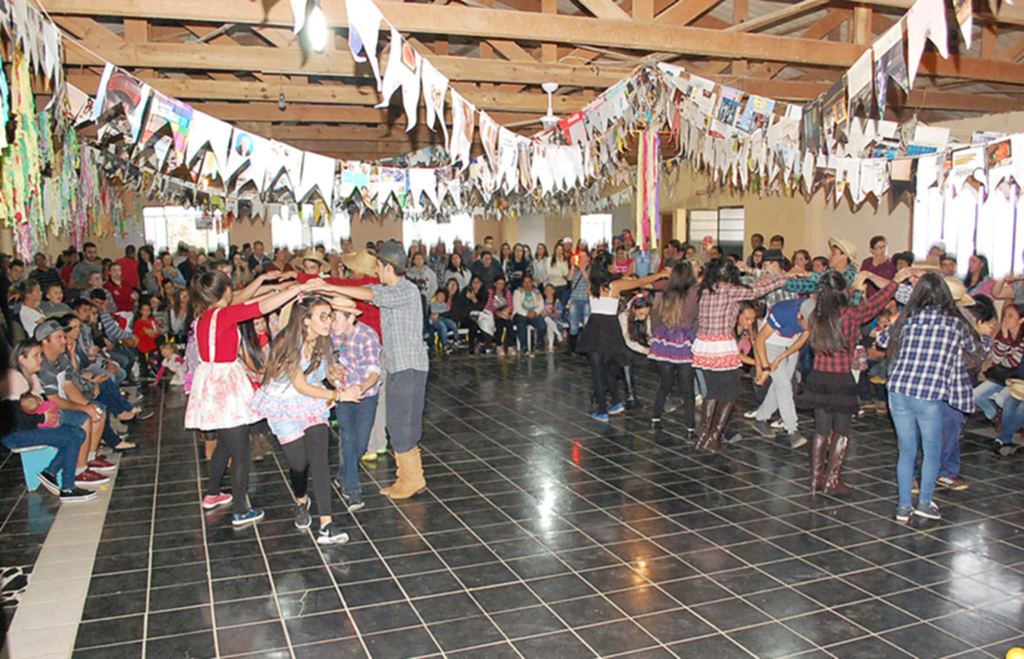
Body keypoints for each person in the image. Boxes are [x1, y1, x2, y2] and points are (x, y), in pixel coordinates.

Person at [186, 268, 316, 526]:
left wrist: (264, 281)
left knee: (225, 443)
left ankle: (213, 494)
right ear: (226, 292)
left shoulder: (205, 315)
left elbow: (244, 298)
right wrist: (297, 289)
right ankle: (240, 510)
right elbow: (261, 306)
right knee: (241, 451)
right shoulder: (226, 314)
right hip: (226, 385)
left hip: (211, 383)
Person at [318, 240, 430, 500]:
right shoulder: (385, 287)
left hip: (409, 368)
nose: (376, 271)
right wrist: (324, 288)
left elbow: (370, 295)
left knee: (404, 424)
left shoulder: (407, 290)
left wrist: (326, 285)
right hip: (395, 367)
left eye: (378, 266)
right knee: (396, 423)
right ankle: (408, 477)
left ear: (388, 267)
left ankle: (412, 479)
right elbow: (361, 289)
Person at [250, 296, 357, 544]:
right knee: (299, 464)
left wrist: (334, 372)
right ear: (305, 321)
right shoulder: (290, 344)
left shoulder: (323, 341)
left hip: (311, 404)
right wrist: (340, 395)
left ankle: (326, 525)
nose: (329, 321)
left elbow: (321, 373)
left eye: (330, 315)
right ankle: (301, 500)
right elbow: (299, 385)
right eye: (323, 316)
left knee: (319, 459)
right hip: (285, 404)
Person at [887, 272, 988, 522]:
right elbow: (978, 351)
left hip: (898, 390)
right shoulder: (955, 323)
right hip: (928, 394)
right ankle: (924, 503)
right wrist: (983, 334)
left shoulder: (909, 318)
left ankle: (903, 507)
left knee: (907, 450)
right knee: (931, 451)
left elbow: (882, 339)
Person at [801, 268, 909, 493]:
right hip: (841, 378)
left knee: (820, 430)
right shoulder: (849, 314)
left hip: (819, 376)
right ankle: (832, 481)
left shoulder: (816, 315)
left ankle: (814, 480)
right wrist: (894, 282)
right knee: (842, 429)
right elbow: (875, 304)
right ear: (842, 291)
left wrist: (857, 292)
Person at [691, 259, 796, 452]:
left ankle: (704, 436)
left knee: (712, 392)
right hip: (721, 345)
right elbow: (754, 292)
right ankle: (714, 438)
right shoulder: (730, 291)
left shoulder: (706, 290)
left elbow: (748, 288)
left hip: (704, 345)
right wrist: (783, 278)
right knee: (730, 392)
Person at [577, 252, 668, 422]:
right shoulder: (615, 285)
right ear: (610, 267)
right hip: (610, 327)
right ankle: (616, 402)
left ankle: (603, 410)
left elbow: (588, 275)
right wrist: (661, 274)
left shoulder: (593, 284)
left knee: (598, 369)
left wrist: (582, 267)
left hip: (596, 326)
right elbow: (639, 282)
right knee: (608, 367)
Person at [2, 340, 94, 501]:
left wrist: (51, 417)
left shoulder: (31, 375)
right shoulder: (14, 378)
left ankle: (50, 473)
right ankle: (68, 488)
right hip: (15, 434)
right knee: (73, 436)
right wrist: (45, 417)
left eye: (40, 355)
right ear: (22, 359)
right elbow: (17, 419)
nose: (40, 359)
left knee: (77, 433)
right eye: (36, 355)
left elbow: (43, 403)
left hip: (27, 427)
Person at [330, 297, 382, 512]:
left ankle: (343, 474)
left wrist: (360, 388)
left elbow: (374, 372)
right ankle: (354, 490)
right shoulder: (332, 336)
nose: (332, 323)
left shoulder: (367, 335)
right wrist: (333, 375)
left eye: (336, 318)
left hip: (366, 394)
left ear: (350, 317)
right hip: (343, 395)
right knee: (348, 437)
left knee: (360, 443)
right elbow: (329, 364)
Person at [750, 298, 812, 449]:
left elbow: (804, 337)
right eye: (807, 323)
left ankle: (761, 418)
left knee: (781, 385)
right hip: (770, 343)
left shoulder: (813, 315)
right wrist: (765, 367)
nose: (810, 326)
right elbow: (760, 340)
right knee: (784, 387)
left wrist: (782, 357)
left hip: (790, 344)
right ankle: (793, 431)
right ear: (799, 316)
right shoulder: (782, 312)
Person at [649, 263, 699, 430]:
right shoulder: (694, 293)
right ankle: (690, 426)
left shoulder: (668, 292)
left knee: (665, 383)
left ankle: (655, 417)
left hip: (665, 339)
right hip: (685, 339)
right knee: (687, 388)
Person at [972, 302, 1023, 426]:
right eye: (1005, 315)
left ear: (1021, 320)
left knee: (1001, 400)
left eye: (1010, 316)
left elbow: (1012, 362)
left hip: (1017, 379)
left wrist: (1004, 350)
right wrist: (1005, 338)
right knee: (974, 396)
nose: (1005, 319)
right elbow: (997, 359)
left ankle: (1014, 422)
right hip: (1001, 375)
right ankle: (995, 417)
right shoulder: (1002, 336)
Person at [619, 293, 652, 410]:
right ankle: (630, 397)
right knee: (625, 359)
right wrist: (645, 350)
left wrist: (652, 342)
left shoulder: (646, 318)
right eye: (641, 314)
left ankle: (630, 396)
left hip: (633, 345)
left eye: (646, 314)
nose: (643, 317)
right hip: (619, 345)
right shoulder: (623, 317)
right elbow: (628, 340)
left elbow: (649, 334)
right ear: (633, 309)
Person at [512, 274, 546, 355]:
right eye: (525, 282)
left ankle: (539, 343)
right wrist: (526, 313)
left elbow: (541, 304)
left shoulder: (536, 292)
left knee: (542, 325)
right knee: (521, 324)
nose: (527, 284)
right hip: (521, 314)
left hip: (533, 314)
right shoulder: (518, 292)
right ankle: (524, 347)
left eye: (529, 282)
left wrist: (535, 312)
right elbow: (517, 306)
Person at [487, 276, 516, 357]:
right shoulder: (491, 292)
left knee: (509, 324)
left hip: (505, 312)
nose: (500, 286)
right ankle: (498, 345)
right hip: (494, 313)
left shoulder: (507, 292)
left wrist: (508, 314)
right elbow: (488, 306)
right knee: (499, 325)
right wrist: (497, 312)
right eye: (498, 284)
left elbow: (510, 305)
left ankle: (510, 345)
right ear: (495, 284)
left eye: (502, 284)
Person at [427, 289, 459, 353]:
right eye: (440, 296)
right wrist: (441, 314)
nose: (441, 298)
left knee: (453, 324)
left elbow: (446, 313)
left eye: (443, 297)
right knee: (443, 327)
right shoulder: (434, 304)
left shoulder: (444, 304)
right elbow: (435, 312)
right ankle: (445, 343)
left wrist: (441, 314)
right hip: (436, 320)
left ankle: (457, 339)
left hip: (442, 318)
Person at [542, 283, 567, 351]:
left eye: (549, 290)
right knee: (547, 320)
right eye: (546, 290)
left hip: (555, 320)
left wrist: (549, 314)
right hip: (546, 320)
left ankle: (551, 345)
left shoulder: (556, 301)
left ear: (553, 291)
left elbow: (558, 314)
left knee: (549, 324)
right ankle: (558, 334)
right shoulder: (542, 301)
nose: (547, 291)